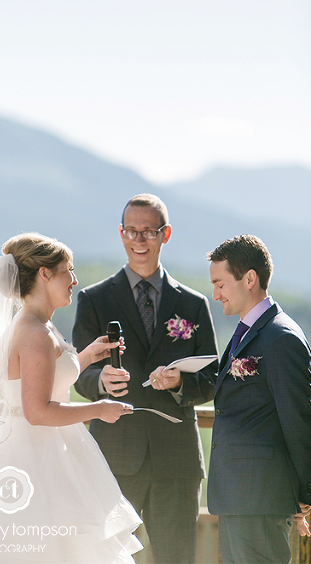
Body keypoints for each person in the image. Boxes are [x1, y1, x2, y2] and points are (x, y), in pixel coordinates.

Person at [0, 233, 142, 563]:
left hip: (50, 449)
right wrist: (100, 409)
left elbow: (47, 376)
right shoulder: (35, 332)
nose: (74, 279)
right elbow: (37, 411)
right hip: (33, 457)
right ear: (45, 274)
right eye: (68, 269)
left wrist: (86, 356)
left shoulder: (40, 325)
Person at [73, 194, 218, 564]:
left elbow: (212, 379)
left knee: (177, 559)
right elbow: (79, 374)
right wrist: (101, 381)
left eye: (148, 231)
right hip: (114, 455)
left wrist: (180, 384)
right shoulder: (94, 299)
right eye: (131, 231)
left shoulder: (194, 304)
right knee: (106, 557)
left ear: (165, 234)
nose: (139, 240)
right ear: (121, 234)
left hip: (177, 460)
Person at [207, 234, 311, 564]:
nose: (215, 294)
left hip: (260, 497)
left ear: (249, 279)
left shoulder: (281, 339)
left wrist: (302, 495)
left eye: (221, 284)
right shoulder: (247, 331)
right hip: (240, 496)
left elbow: (298, 420)